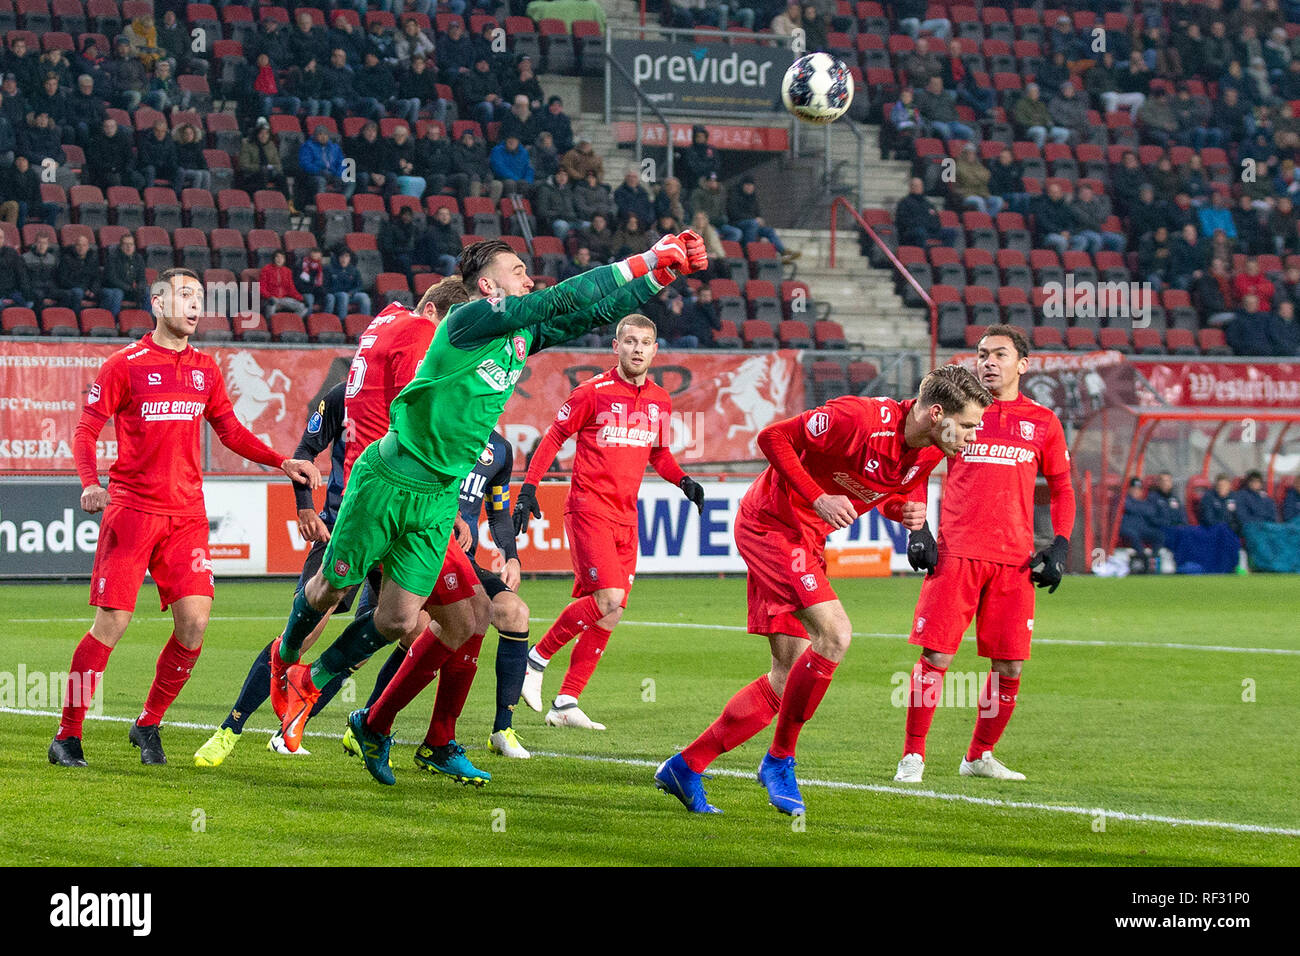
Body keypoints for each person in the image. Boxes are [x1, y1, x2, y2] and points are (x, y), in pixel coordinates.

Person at [272, 233, 710, 755]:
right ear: (486, 284)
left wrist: (665, 275)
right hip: (390, 476)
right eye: (518, 269)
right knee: (329, 591)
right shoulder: (467, 321)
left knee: (396, 619)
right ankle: (287, 658)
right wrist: (648, 255)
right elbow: (562, 297)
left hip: (437, 494)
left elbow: (592, 311)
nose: (529, 276)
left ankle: (313, 679)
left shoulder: (517, 337)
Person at [654, 366, 993, 815]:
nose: (972, 435)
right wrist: (817, 498)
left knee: (787, 672)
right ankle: (779, 759)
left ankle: (687, 765)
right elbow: (772, 438)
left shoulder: (929, 451)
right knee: (835, 635)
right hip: (771, 526)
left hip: (806, 539)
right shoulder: (858, 418)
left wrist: (907, 518)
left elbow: (889, 492)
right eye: (968, 424)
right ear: (937, 413)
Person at [49, 268, 320, 768]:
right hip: (131, 511)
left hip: (187, 516)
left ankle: (147, 724)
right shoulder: (125, 364)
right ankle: (67, 736)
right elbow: (87, 428)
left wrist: (282, 461)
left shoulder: (205, 369)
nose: (195, 306)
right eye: (184, 296)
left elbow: (231, 430)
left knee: (194, 626)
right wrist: (90, 482)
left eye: (199, 297)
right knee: (112, 623)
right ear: (157, 303)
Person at [894, 328, 1075, 783]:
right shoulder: (957, 415)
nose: (988, 362)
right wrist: (919, 530)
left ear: (1023, 364)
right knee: (936, 658)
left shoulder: (1043, 422)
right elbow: (915, 465)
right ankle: (913, 756)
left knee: (1010, 664)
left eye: (999, 354)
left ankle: (979, 756)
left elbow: (1062, 488)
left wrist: (1061, 543)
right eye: (981, 354)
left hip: (1014, 561)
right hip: (956, 555)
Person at [514, 314, 706, 730]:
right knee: (607, 597)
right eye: (631, 341)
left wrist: (684, 481)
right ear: (615, 346)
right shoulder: (592, 392)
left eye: (646, 342)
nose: (638, 349)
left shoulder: (659, 399)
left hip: (626, 517)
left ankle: (566, 702)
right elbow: (553, 437)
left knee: (611, 612)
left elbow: (658, 454)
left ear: (656, 351)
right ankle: (535, 660)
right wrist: (529, 488)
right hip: (588, 508)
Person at [193, 383, 375, 765]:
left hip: (398, 537)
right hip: (343, 530)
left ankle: (360, 727)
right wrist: (306, 507)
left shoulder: (429, 392)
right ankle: (230, 728)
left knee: (399, 630)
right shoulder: (349, 392)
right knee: (304, 632)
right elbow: (305, 452)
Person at [727, 175, 800, 263]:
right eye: (747, 185)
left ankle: (783, 251)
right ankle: (749, 251)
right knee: (753, 223)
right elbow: (734, 214)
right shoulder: (734, 196)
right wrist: (754, 219)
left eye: (751, 185)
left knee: (769, 231)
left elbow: (757, 214)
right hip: (737, 223)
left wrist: (760, 220)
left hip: (752, 224)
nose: (749, 187)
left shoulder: (753, 198)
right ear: (743, 186)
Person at [297, 124, 352, 209]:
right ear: (315, 136)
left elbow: (342, 162)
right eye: (320, 134)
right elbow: (305, 164)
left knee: (351, 182)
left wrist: (339, 175)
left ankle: (340, 204)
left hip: (333, 174)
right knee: (321, 181)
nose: (323, 137)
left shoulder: (335, 147)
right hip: (315, 175)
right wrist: (319, 171)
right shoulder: (307, 146)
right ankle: (322, 208)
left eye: (325, 134)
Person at [895, 176, 955, 246]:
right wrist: (923, 224)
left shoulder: (927, 203)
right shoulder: (904, 203)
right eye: (916, 186)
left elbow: (936, 220)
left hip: (929, 231)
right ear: (911, 187)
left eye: (920, 185)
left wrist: (931, 226)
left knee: (950, 232)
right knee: (920, 232)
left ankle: (942, 255)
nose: (919, 188)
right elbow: (903, 222)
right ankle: (922, 255)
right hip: (912, 232)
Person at [101, 234, 148, 319]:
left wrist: (140, 287)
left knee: (148, 291)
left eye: (131, 244)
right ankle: (113, 322)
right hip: (113, 288)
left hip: (130, 290)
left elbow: (142, 278)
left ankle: (145, 321)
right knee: (117, 293)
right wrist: (130, 289)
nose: (128, 247)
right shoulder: (112, 258)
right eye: (125, 244)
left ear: (134, 246)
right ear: (120, 246)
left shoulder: (138, 258)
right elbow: (112, 279)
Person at [57, 233, 104, 313]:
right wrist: (84, 289)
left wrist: (93, 290)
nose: (81, 248)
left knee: (111, 293)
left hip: (90, 290)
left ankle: (105, 320)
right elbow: (63, 280)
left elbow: (97, 277)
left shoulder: (93, 258)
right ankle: (76, 319)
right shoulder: (66, 258)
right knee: (77, 292)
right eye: (78, 245)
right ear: (74, 246)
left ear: (88, 247)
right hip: (75, 288)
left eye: (84, 245)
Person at [237, 121, 287, 194]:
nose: (264, 136)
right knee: (263, 173)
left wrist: (271, 168)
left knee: (281, 177)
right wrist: (261, 168)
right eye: (261, 133)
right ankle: (264, 200)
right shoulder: (247, 145)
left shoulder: (271, 145)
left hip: (268, 172)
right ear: (256, 134)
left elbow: (278, 165)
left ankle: (288, 202)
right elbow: (244, 165)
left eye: (266, 133)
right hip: (251, 175)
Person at [414, 204, 462, 276]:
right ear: (436, 217)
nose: (444, 216)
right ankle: (447, 283)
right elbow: (434, 249)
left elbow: (459, 247)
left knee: (471, 260)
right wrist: (450, 250)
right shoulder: (431, 231)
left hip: (453, 255)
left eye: (447, 214)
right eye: (442, 214)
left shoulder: (454, 232)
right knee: (451, 260)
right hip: (438, 257)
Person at [323, 248, 371, 317]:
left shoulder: (353, 270)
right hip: (335, 294)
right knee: (343, 295)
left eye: (346, 256)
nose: (344, 259)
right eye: (342, 256)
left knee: (364, 296)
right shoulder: (329, 269)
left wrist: (352, 292)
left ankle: (366, 321)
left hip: (350, 294)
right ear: (337, 258)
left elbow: (359, 285)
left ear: (350, 258)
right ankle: (343, 321)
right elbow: (325, 286)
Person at [260, 249, 307, 317]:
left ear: (284, 260)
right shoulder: (266, 269)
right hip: (271, 299)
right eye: (277, 257)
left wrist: (301, 299)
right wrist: (269, 297)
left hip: (284, 299)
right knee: (271, 308)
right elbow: (261, 287)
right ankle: (271, 326)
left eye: (282, 257)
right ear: (274, 258)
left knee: (303, 307)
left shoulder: (287, 271)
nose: (279, 259)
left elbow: (291, 289)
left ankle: (291, 322)